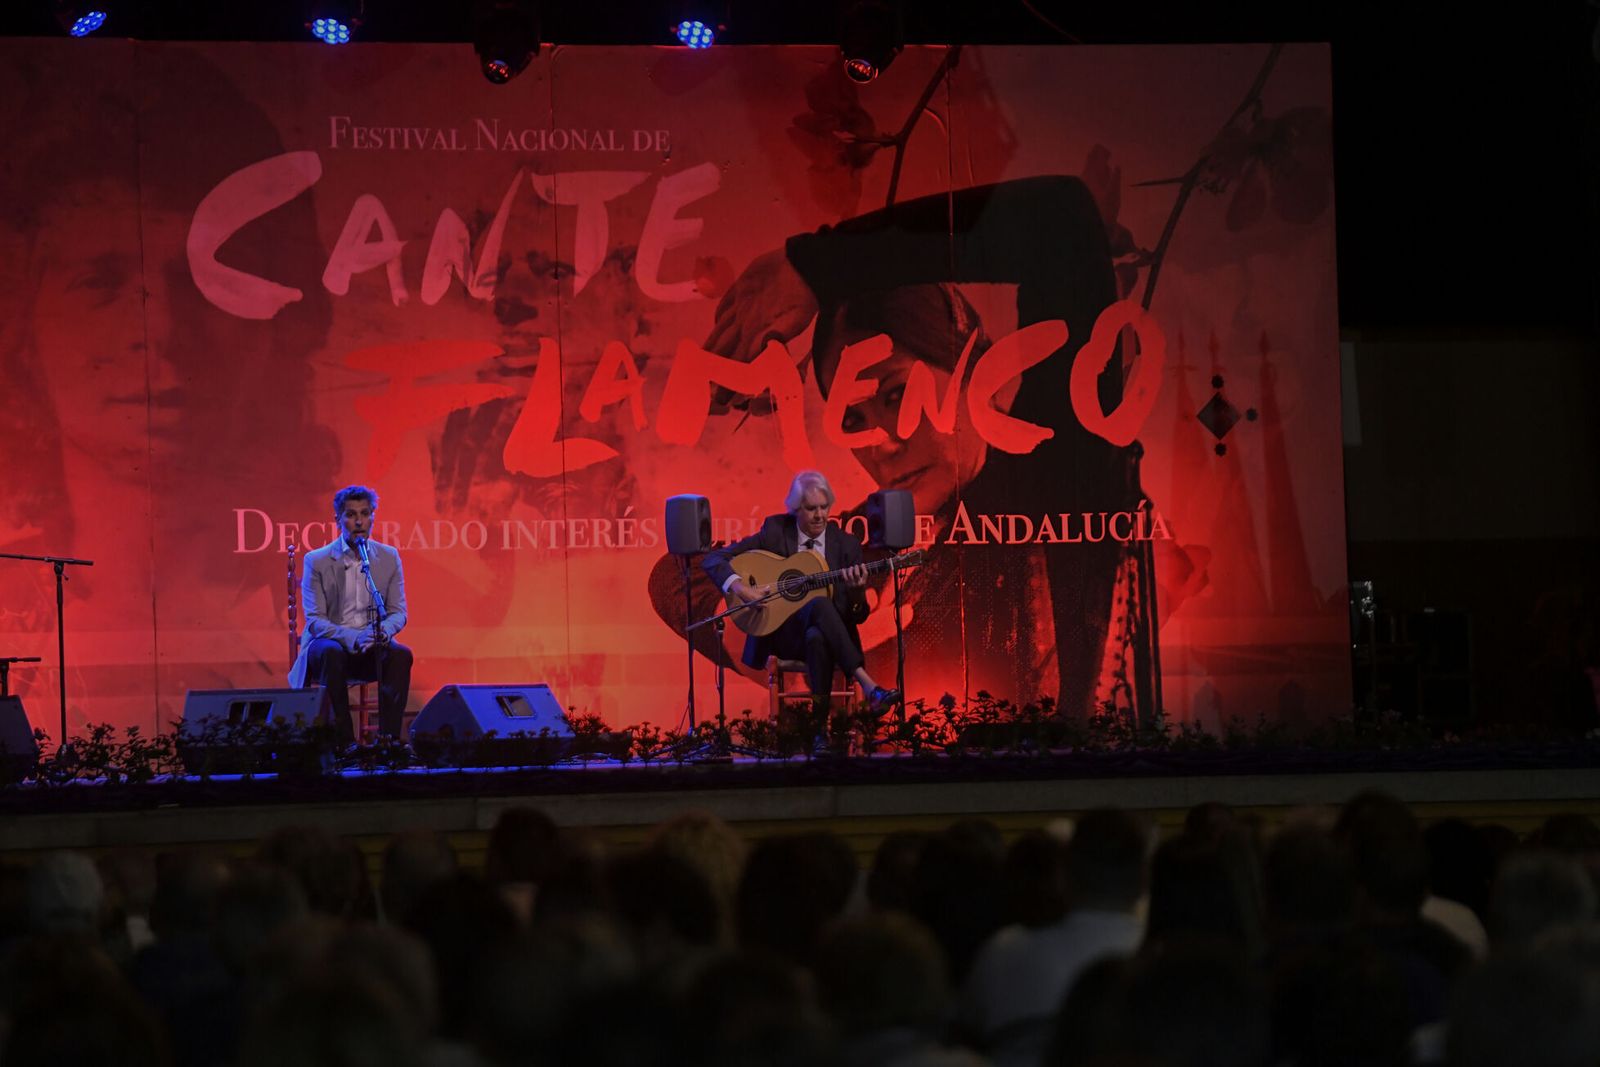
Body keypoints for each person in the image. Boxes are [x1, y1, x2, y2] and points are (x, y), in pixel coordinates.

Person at [703, 470, 899, 712]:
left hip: (828, 636)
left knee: (816, 635)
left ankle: (819, 731)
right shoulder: (775, 531)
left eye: (824, 507)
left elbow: (857, 617)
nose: (820, 516)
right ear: (795, 509)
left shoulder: (846, 544)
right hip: (783, 636)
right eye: (811, 509)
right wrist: (740, 588)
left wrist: (857, 592)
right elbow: (714, 559)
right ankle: (867, 684)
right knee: (819, 605)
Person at [288, 486, 412, 745]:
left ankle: (389, 741)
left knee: (400, 655)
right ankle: (345, 745)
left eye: (365, 514)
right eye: (351, 514)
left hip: (371, 644)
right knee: (332, 652)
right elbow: (316, 620)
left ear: (373, 517)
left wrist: (381, 632)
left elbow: (398, 612)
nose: (358, 521)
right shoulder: (318, 560)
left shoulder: (388, 557)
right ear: (338, 519)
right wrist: (354, 638)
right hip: (330, 646)